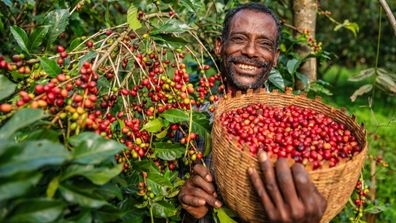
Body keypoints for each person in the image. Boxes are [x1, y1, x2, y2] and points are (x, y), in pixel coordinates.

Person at [178, 2, 327, 223]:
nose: (250, 51)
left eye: (264, 44)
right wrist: (192, 213)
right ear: (219, 46)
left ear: (275, 57)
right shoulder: (190, 125)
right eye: (239, 39)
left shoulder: (294, 127)